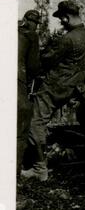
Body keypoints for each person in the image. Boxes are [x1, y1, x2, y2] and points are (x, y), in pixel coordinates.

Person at [21, 0, 85, 181]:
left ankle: (40, 169)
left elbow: (46, 60)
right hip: (75, 85)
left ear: (66, 17)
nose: (61, 23)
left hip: (56, 85)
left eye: (61, 19)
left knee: (35, 122)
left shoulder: (68, 38)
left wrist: (43, 52)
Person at [17, 10, 41, 175]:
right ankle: (14, 170)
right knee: (22, 121)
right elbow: (33, 67)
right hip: (17, 80)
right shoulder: (31, 35)